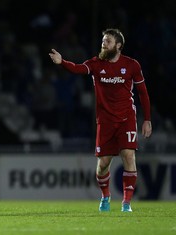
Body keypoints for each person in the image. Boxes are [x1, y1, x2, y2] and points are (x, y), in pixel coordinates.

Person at [49, 28, 152, 212]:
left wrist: (147, 119)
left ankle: (126, 203)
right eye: (103, 40)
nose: (103, 43)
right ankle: (105, 196)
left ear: (118, 46)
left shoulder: (132, 65)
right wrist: (62, 62)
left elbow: (143, 93)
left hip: (126, 118)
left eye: (108, 41)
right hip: (105, 121)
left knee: (129, 155)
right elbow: (78, 68)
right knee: (102, 166)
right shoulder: (96, 64)